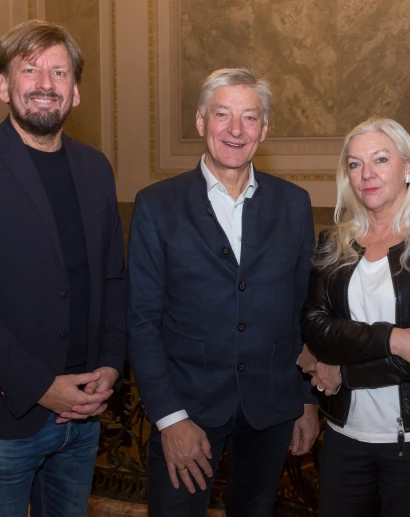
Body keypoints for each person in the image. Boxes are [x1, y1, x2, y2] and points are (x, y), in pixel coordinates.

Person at [0, 20, 126, 517]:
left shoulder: (96, 168)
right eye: (30, 70)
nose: (45, 83)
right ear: (3, 86)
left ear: (75, 91)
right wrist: (41, 387)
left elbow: (113, 279)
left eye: (59, 72)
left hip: (83, 416)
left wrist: (110, 363)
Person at [127, 67, 319, 517]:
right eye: (222, 114)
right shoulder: (157, 205)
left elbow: (303, 312)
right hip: (187, 409)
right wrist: (170, 418)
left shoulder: (293, 203)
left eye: (249, 117)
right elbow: (142, 321)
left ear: (264, 129)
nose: (236, 129)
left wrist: (306, 400)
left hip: (271, 409)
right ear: (201, 121)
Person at [302, 117, 410, 517]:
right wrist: (393, 338)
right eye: (355, 164)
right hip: (345, 433)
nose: (367, 174)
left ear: (407, 167)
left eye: (380, 159)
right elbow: (315, 327)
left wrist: (344, 374)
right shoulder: (333, 243)